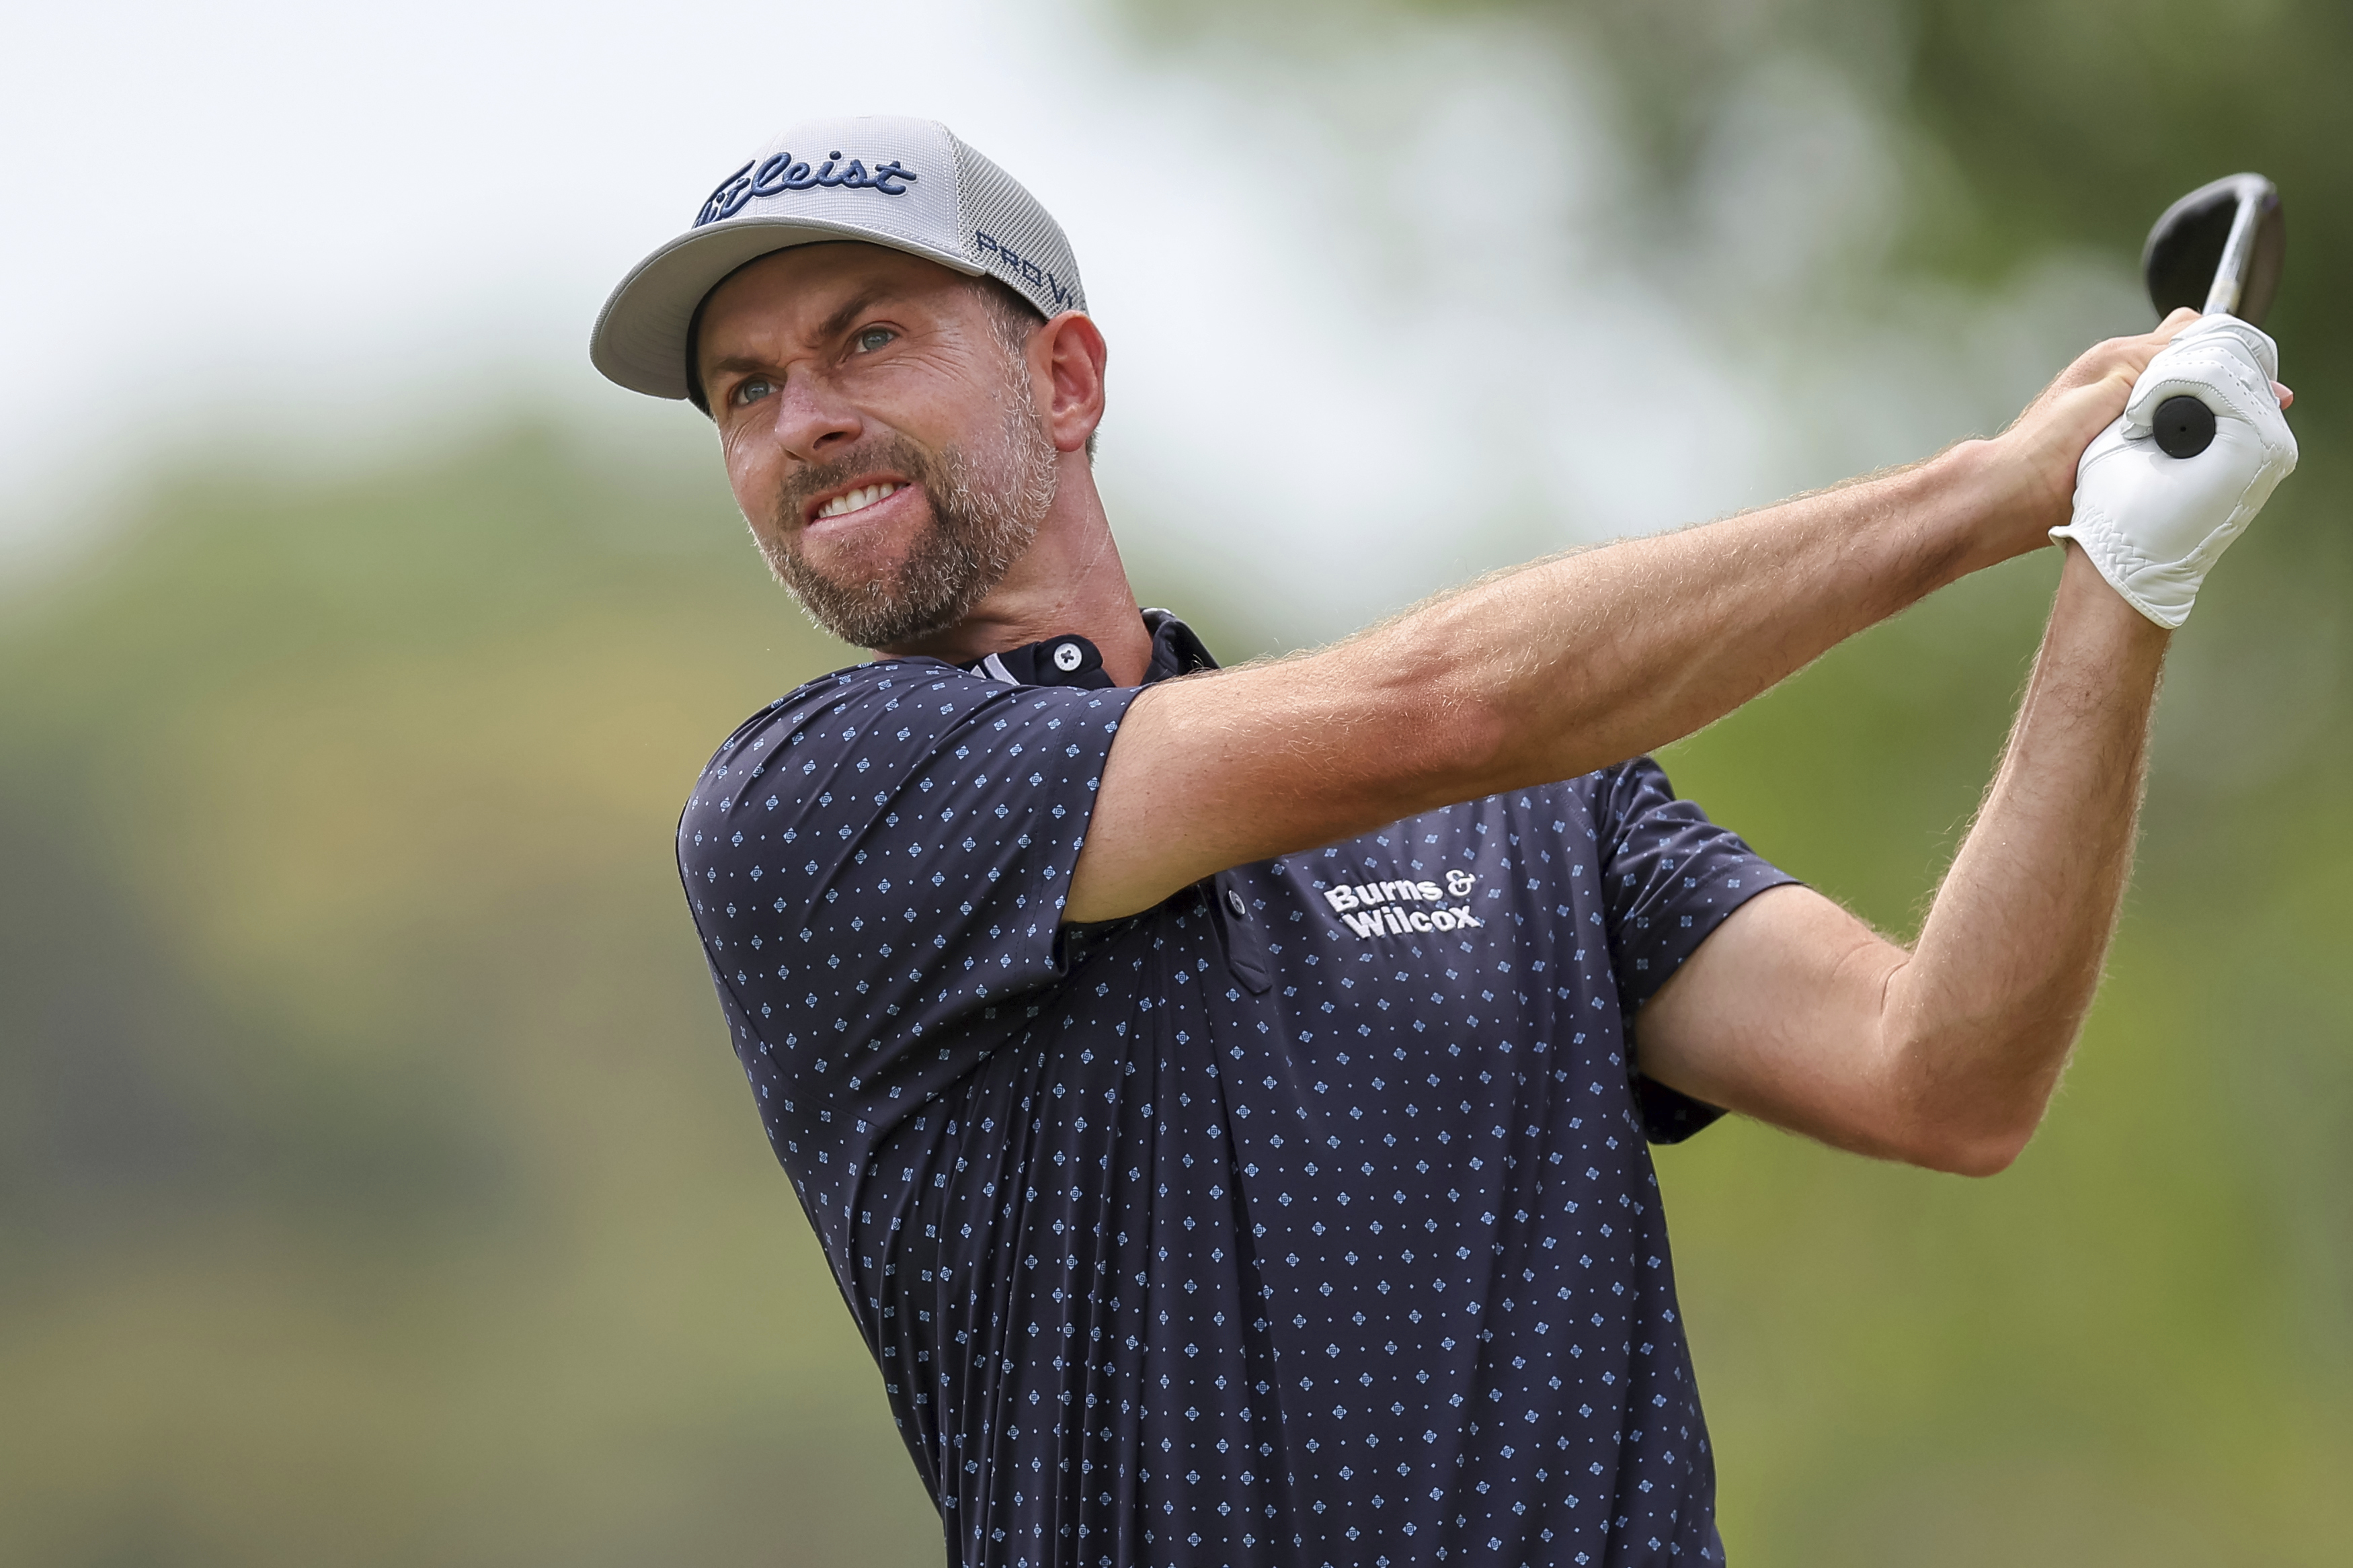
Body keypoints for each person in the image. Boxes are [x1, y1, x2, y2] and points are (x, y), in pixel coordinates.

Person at [590, 116, 2297, 1567]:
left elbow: (1942, 1075)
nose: (799, 417)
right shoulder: (815, 802)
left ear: (1064, 375)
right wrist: (1990, 491)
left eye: (867, 338)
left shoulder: (1534, 819)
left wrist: (2120, 571)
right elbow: (1441, 709)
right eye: (745, 389)